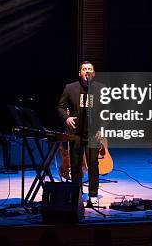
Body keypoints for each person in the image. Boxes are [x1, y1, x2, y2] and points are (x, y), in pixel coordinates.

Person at [57, 61, 104, 205]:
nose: (87, 71)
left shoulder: (100, 89)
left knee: (93, 164)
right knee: (76, 164)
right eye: (84, 69)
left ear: (93, 73)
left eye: (90, 69)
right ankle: (76, 192)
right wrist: (67, 118)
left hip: (93, 133)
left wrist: (102, 129)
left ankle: (93, 194)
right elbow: (60, 107)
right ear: (80, 73)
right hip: (75, 133)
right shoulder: (70, 88)